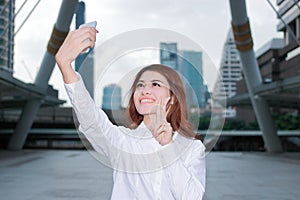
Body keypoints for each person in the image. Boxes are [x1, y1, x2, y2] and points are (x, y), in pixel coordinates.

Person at [55, 26, 206, 200]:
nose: (145, 90)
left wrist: (167, 146)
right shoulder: (123, 141)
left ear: (172, 98)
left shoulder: (191, 148)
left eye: (155, 84)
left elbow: (191, 197)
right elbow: (91, 119)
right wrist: (66, 66)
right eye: (140, 85)